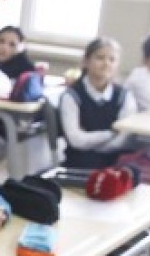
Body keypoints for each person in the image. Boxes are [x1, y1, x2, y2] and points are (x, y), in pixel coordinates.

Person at [59, 37, 138, 168]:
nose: (106, 63)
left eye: (112, 59)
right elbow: (76, 140)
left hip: (117, 161)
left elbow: (125, 138)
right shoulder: (72, 96)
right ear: (86, 61)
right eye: (100, 58)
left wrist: (91, 142)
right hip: (80, 161)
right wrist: (111, 133)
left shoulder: (124, 96)